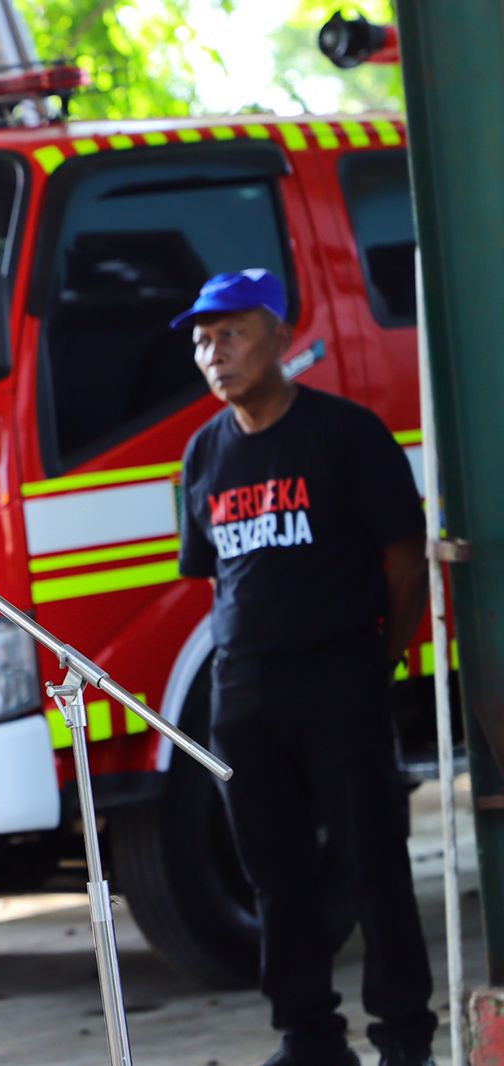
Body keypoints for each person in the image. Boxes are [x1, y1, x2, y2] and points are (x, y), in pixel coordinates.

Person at [173, 270, 436, 1066]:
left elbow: (403, 558)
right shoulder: (202, 453)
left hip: (340, 679)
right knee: (275, 876)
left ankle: (404, 1037)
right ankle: (308, 1035)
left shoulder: (345, 433)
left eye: (232, 334)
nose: (214, 353)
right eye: (201, 340)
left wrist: (374, 660)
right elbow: (216, 577)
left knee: (373, 863)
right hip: (245, 692)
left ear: (281, 336)